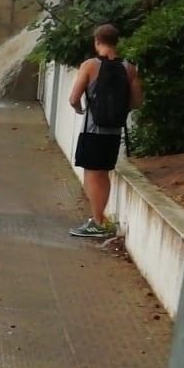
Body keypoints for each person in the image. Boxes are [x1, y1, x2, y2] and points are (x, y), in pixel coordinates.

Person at [68, 24, 143, 238]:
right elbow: (137, 101)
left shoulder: (90, 65)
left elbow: (73, 98)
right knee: (104, 174)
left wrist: (80, 108)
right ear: (116, 41)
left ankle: (97, 222)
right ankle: (100, 220)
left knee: (92, 174)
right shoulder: (129, 68)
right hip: (113, 132)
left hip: (93, 130)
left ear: (97, 41)